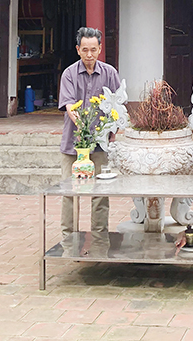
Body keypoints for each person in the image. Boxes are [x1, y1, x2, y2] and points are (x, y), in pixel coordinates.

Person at [58, 27, 121, 240]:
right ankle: (68, 237)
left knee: (100, 194)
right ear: (78, 49)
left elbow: (117, 105)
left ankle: (100, 238)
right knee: (69, 192)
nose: (89, 55)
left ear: (100, 48)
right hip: (73, 143)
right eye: (85, 50)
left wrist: (114, 128)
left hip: (100, 143)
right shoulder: (68, 74)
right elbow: (68, 105)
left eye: (94, 49)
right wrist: (80, 122)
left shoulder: (110, 73)